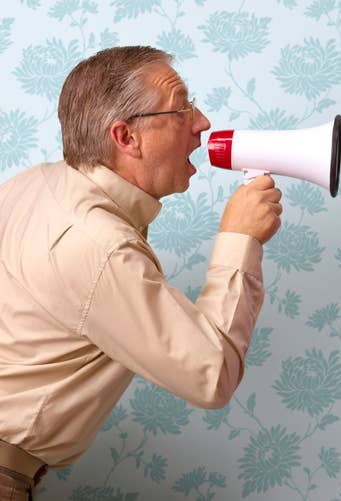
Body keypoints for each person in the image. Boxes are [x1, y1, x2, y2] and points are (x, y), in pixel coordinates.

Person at [0, 46, 282, 500]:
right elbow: (211, 377)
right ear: (126, 137)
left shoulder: (34, 183)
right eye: (181, 108)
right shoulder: (98, 245)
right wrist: (239, 240)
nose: (202, 122)